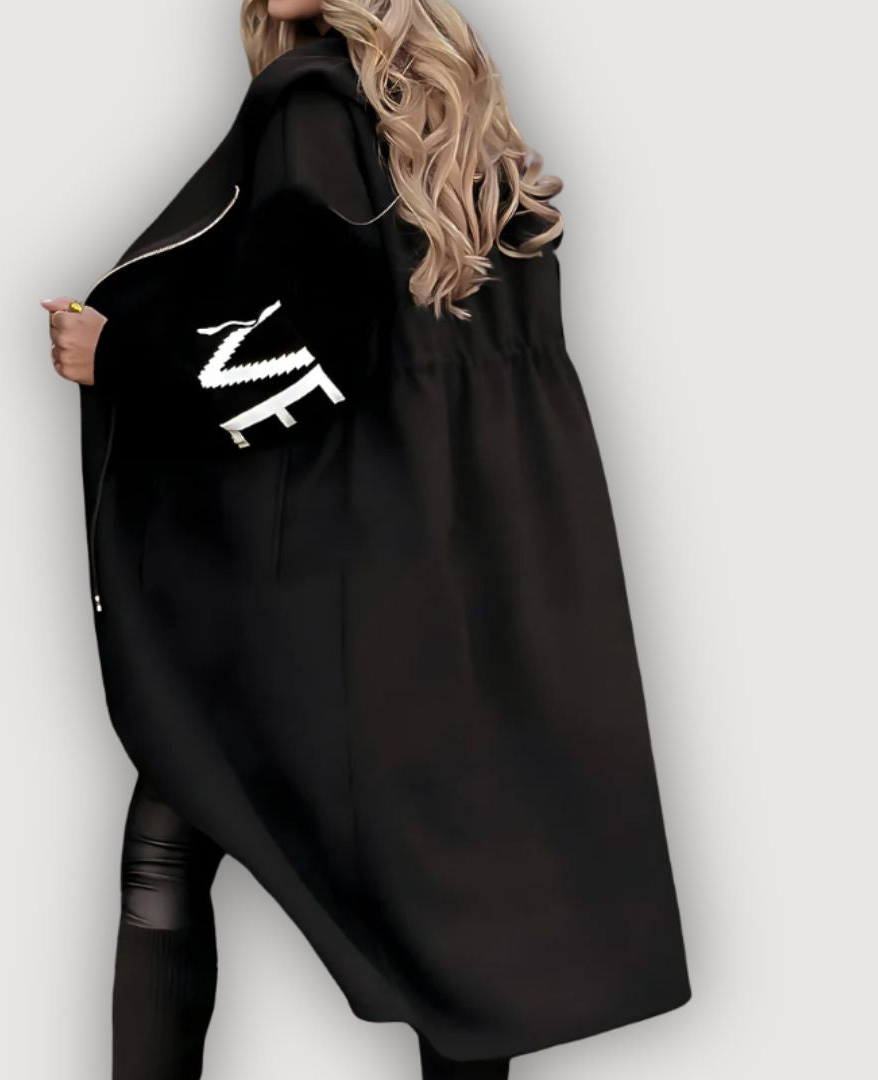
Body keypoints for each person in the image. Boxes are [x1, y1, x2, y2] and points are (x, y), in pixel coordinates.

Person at [41, 2, 692, 1077]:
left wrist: (122, 360)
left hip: (354, 566)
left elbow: (312, 355)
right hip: (491, 556)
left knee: (170, 827)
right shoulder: (470, 130)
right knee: (462, 894)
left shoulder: (308, 108)